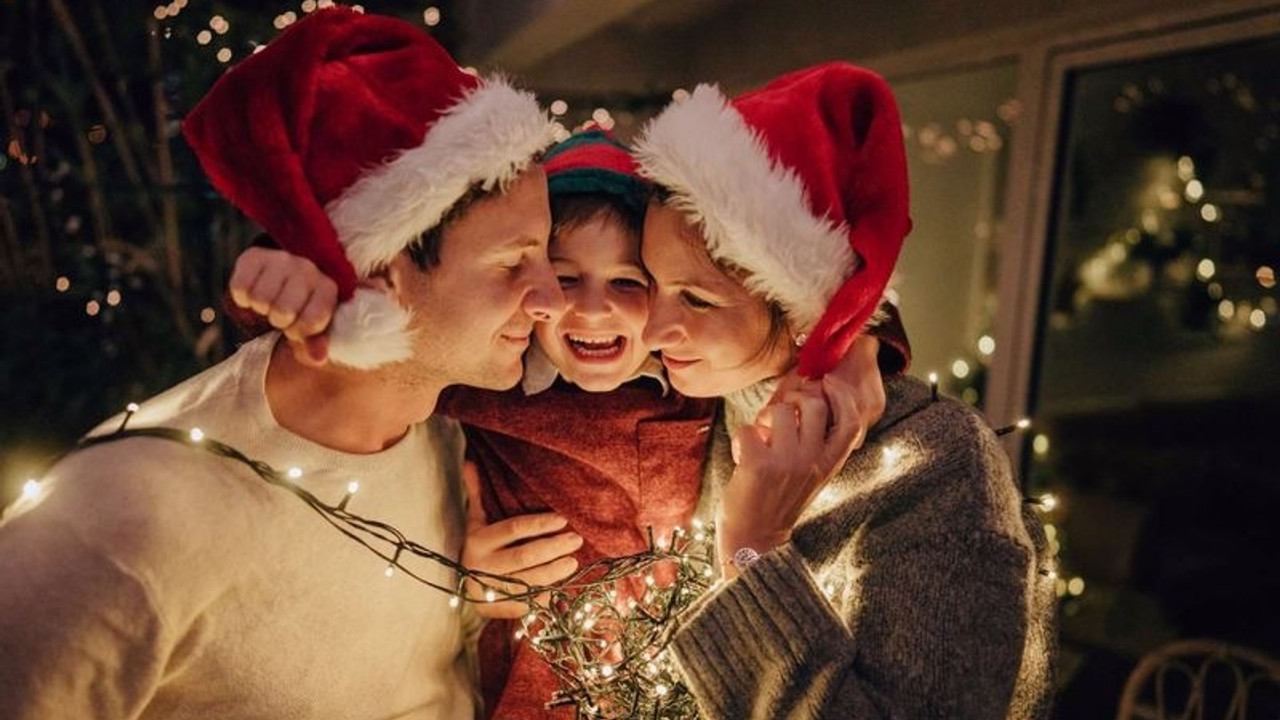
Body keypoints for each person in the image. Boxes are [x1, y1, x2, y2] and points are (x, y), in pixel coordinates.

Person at [228, 127, 912, 718]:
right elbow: (359, 345)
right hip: (522, 692)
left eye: (627, 283)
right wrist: (285, 270)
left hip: (678, 687)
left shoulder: (691, 380)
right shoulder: (492, 382)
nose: (592, 311)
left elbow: (786, 291)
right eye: (565, 278)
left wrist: (862, 341)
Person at [0, 8, 568, 719]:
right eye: (515, 261)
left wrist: (470, 604)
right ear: (383, 270)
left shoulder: (446, 443)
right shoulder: (128, 512)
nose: (550, 297)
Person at [630, 61, 1057, 719]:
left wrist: (754, 549)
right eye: (652, 284)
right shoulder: (703, 398)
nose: (654, 328)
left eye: (694, 298)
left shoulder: (939, 465)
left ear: (800, 303)